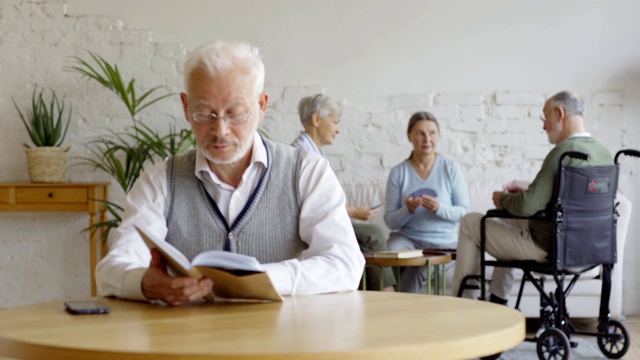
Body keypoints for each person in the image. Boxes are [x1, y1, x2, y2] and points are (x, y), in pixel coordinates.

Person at [95, 40, 365, 305]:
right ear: (185, 107)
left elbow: (344, 263)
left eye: (236, 114)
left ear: (261, 106)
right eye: (204, 114)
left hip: (282, 343)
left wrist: (259, 279)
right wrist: (143, 282)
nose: (220, 130)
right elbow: (112, 269)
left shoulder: (306, 172)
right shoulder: (160, 181)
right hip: (189, 344)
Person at [451, 90, 613, 304]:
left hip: (550, 247)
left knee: (472, 223)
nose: (544, 125)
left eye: (545, 116)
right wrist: (529, 188)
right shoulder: (604, 153)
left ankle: (464, 306)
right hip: (589, 250)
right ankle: (498, 301)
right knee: (503, 222)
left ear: (559, 113)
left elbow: (527, 206)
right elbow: (571, 196)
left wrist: (502, 199)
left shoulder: (562, 153)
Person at [291, 94, 396, 291]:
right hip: (307, 228)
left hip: (319, 222)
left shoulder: (312, 152)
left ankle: (374, 293)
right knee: (373, 234)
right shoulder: (302, 156)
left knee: (359, 241)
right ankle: (387, 292)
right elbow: (309, 208)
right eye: (335, 122)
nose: (338, 129)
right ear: (316, 120)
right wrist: (354, 212)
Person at [384, 111, 470, 293]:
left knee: (416, 271)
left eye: (432, 133)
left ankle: (402, 315)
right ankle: (383, 302)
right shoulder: (398, 172)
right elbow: (390, 221)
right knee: (387, 255)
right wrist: (407, 210)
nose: (427, 139)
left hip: (444, 242)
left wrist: (439, 208)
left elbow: (464, 212)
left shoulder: (450, 168)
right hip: (408, 239)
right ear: (409, 136)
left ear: (438, 136)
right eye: (420, 133)